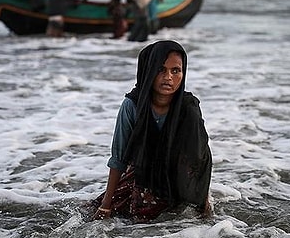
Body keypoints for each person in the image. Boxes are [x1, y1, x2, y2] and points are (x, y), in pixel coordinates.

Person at [91, 40, 212, 222]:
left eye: (175, 71)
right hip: (143, 175)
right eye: (160, 69)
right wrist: (106, 205)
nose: (168, 77)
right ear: (148, 71)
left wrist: (203, 200)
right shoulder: (132, 105)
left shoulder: (189, 108)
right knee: (124, 218)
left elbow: (199, 158)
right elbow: (119, 158)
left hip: (178, 178)